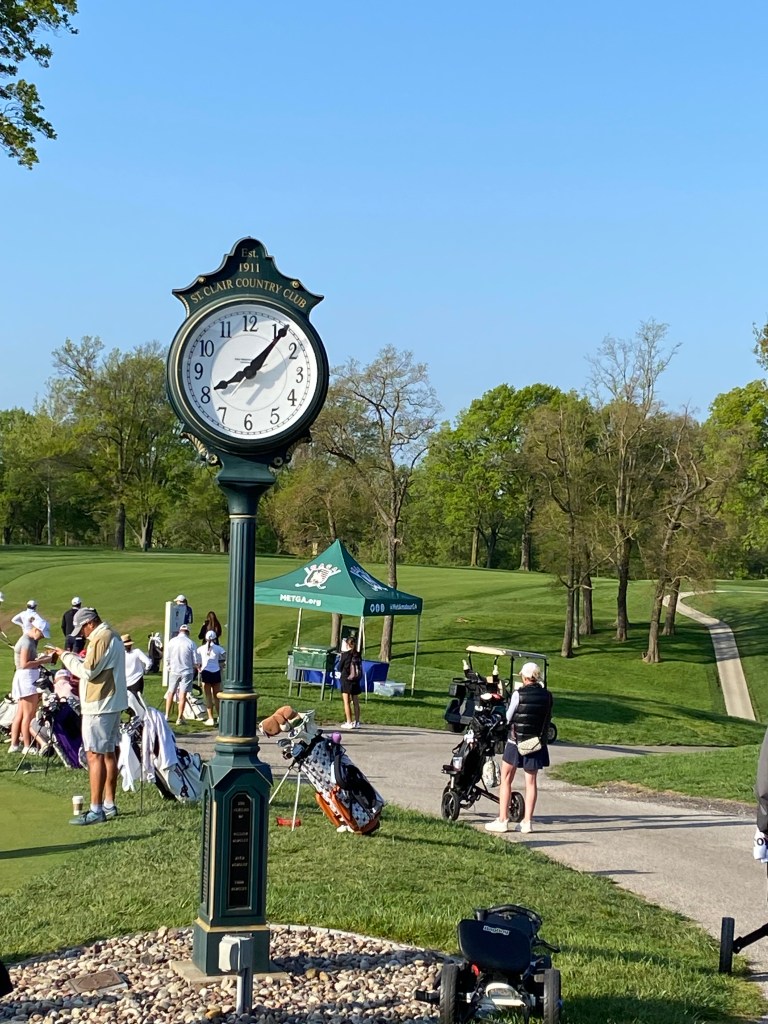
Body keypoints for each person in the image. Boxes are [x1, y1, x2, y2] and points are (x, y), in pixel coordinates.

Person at [51, 607, 128, 825]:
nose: (83, 635)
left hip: (99, 705)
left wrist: (65, 655)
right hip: (110, 703)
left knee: (94, 755)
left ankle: (96, 810)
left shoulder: (101, 637)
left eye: (82, 629)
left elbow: (87, 671)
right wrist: (69, 656)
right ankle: (109, 804)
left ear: (90, 623)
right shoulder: (111, 635)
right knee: (108, 753)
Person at [485, 662, 553, 835]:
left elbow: (508, 717)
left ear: (525, 677)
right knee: (531, 783)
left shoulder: (518, 694)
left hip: (515, 741)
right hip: (535, 743)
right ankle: (527, 822)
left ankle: (502, 820)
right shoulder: (547, 696)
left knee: (506, 779)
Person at [8, 619, 53, 753]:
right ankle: (27, 746)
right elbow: (24, 664)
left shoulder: (30, 640)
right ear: (36, 629)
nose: (42, 637)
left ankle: (15, 744)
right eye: (42, 634)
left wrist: (41, 659)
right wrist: (45, 660)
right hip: (26, 678)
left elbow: (29, 661)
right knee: (28, 714)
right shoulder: (27, 642)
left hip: (25, 677)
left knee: (21, 713)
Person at [164, 622, 197, 724]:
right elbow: (195, 660)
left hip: (174, 670)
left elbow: (167, 657)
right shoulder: (191, 643)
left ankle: (167, 715)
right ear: (188, 632)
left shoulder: (172, 641)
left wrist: (169, 667)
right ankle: (179, 717)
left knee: (171, 692)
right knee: (183, 694)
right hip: (187, 671)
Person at [196, 629, 226, 726]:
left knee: (208, 696)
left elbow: (197, 659)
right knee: (217, 696)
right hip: (216, 672)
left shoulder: (201, 648)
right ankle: (220, 716)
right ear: (215, 638)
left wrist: (198, 667)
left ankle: (210, 718)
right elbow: (225, 656)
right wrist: (223, 664)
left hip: (206, 672)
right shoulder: (218, 648)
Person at [338, 635, 363, 731]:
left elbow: (339, 667)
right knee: (355, 701)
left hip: (346, 679)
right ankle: (357, 722)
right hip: (355, 680)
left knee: (346, 701)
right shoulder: (358, 654)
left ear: (347, 644)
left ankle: (349, 722)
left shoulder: (345, 655)